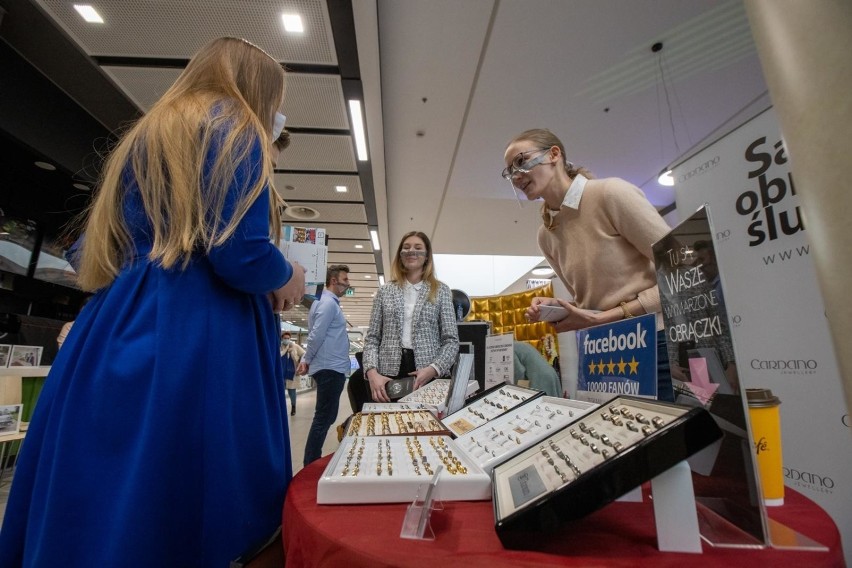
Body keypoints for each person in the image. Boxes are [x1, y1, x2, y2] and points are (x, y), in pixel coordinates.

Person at [0, 37, 306, 567]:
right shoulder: (238, 128)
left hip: (118, 317)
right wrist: (287, 271)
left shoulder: (147, 135)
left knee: (107, 481)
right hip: (200, 326)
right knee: (199, 484)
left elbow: (98, 245)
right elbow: (239, 251)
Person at [504, 128, 674, 402]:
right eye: (509, 171)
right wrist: (563, 309)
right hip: (601, 351)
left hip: (655, 342)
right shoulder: (546, 234)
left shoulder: (610, 193)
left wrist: (605, 316)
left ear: (554, 155)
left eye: (521, 162)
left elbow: (683, 269)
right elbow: (590, 301)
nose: (515, 175)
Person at [363, 231, 460, 403]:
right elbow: (372, 339)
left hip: (427, 372)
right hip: (387, 376)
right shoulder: (385, 291)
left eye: (418, 247)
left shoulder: (441, 291)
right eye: (406, 248)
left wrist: (434, 368)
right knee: (390, 425)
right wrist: (372, 372)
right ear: (400, 255)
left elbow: (451, 340)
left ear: (427, 256)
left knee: (425, 424)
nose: (411, 251)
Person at [298, 265, 351, 466]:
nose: (348, 284)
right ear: (334, 281)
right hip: (330, 368)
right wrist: (306, 359)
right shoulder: (328, 304)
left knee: (326, 417)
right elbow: (316, 335)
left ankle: (311, 460)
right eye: (345, 280)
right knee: (323, 419)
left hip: (330, 367)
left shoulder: (325, 303)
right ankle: (310, 463)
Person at [280, 330, 305, 416]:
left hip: (292, 372)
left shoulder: (295, 346)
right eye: (285, 338)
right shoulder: (279, 346)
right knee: (280, 391)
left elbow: (303, 354)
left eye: (288, 338)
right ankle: (280, 408)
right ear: (282, 339)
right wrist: (286, 349)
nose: (286, 340)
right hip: (281, 372)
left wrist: (299, 362)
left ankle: (293, 406)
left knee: (292, 391)